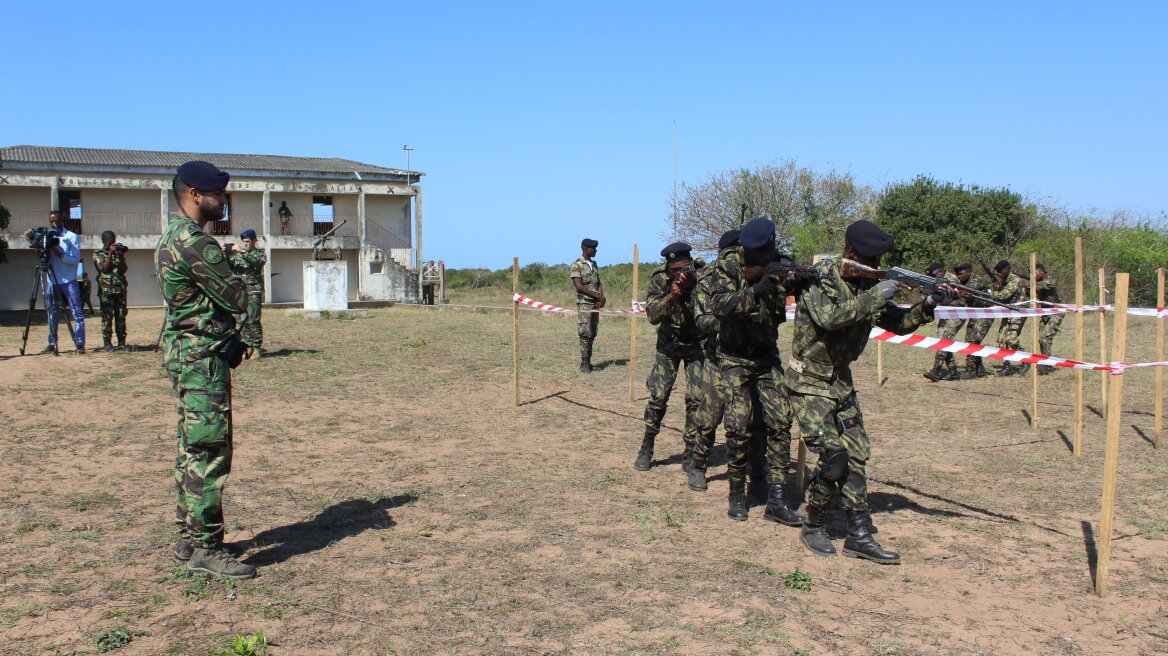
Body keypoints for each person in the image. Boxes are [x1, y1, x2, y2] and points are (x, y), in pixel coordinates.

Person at [790, 220, 951, 564]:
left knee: (857, 454)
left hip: (840, 382)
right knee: (834, 457)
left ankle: (859, 535)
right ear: (851, 253)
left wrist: (929, 304)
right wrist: (878, 293)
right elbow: (830, 318)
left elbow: (897, 323)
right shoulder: (819, 276)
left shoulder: (865, 282)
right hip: (809, 382)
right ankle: (813, 523)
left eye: (878, 263)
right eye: (871, 260)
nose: (876, 268)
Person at [157, 160, 253, 580]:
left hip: (185, 351)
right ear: (195, 194)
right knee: (210, 451)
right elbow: (236, 297)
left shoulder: (170, 236)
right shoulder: (198, 242)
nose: (224, 202)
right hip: (202, 358)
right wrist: (244, 278)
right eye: (218, 195)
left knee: (190, 446)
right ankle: (205, 548)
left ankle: (187, 535)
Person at [710, 217, 804, 525]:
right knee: (739, 425)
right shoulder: (728, 263)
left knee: (780, 421)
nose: (755, 258)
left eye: (760, 253)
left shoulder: (784, 262)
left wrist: (795, 285)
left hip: (766, 356)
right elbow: (719, 306)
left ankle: (776, 496)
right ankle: (738, 492)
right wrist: (756, 289)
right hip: (734, 356)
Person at [633, 243, 703, 472]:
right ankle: (647, 444)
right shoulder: (658, 279)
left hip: (696, 346)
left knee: (696, 399)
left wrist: (692, 291)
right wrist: (671, 297)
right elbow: (652, 315)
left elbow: (711, 310)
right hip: (668, 345)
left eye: (684, 268)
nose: (680, 273)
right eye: (675, 270)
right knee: (658, 397)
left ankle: (691, 449)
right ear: (668, 267)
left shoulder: (702, 276)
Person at [687, 229, 739, 491]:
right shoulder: (708, 278)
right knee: (709, 418)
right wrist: (730, 320)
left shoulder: (751, 276)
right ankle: (698, 464)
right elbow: (701, 320)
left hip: (745, 361)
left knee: (742, 422)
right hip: (717, 359)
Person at [43, 210, 86, 355]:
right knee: (52, 314)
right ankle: (52, 343)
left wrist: (60, 254)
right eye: (51, 221)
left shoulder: (71, 237)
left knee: (77, 313)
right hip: (52, 281)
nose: (54, 224)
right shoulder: (48, 238)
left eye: (57, 221)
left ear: (63, 220)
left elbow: (75, 260)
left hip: (69, 280)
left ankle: (80, 344)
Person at [923, 262, 974, 382]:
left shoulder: (951, 279)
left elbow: (951, 297)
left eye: (934, 275)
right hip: (946, 313)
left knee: (945, 338)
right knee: (943, 338)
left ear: (940, 272)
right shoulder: (939, 280)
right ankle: (953, 371)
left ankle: (936, 370)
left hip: (957, 313)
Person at [228, 229, 267, 358]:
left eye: (248, 241)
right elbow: (230, 267)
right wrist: (226, 255)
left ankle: (256, 347)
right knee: (242, 320)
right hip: (241, 292)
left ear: (255, 240)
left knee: (254, 319)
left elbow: (256, 262)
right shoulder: (238, 255)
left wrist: (241, 251)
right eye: (244, 242)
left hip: (253, 291)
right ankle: (247, 345)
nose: (245, 244)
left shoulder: (259, 254)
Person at [570, 238, 605, 373]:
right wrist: (596, 295)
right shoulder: (577, 265)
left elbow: (598, 283)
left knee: (592, 332)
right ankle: (584, 363)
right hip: (584, 303)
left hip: (595, 304)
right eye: (593, 248)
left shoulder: (594, 264)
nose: (595, 250)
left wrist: (601, 297)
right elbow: (578, 286)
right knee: (585, 333)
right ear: (586, 249)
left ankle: (589, 362)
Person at [990, 259, 1028, 376]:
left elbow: (1004, 295)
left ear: (1007, 269)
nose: (1000, 274)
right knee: (1001, 339)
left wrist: (989, 292)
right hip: (1008, 313)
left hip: (1018, 314)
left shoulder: (1016, 280)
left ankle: (1026, 359)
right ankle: (1006, 366)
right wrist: (996, 287)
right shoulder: (1006, 281)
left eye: (1001, 271)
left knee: (1011, 340)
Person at [93, 231, 129, 351]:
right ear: (104, 241)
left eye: (114, 241)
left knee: (121, 317)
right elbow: (104, 269)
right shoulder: (98, 254)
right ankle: (107, 344)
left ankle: (121, 343)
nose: (113, 243)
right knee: (107, 317)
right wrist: (110, 254)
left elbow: (124, 270)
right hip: (106, 291)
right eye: (110, 241)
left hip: (120, 290)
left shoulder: (117, 254)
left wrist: (120, 256)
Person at [1034, 263, 1063, 375]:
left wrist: (1025, 283)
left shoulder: (1050, 280)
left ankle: (1046, 363)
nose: (1034, 275)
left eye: (1035, 272)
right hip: (1045, 313)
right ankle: (1046, 361)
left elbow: (1041, 286)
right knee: (1042, 339)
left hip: (1057, 312)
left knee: (1045, 337)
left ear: (1042, 271)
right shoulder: (1036, 282)